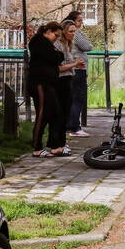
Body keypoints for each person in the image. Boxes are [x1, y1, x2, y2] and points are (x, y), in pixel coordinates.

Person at [28, 22, 68, 157]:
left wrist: (57, 55)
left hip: (49, 83)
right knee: (43, 113)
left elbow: (58, 56)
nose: (56, 38)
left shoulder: (47, 44)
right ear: (49, 31)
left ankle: (55, 145)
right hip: (40, 83)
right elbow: (55, 57)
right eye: (56, 35)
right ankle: (36, 146)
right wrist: (57, 55)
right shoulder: (38, 41)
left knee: (56, 113)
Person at [54, 21, 86, 154]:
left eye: (75, 31)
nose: (74, 34)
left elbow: (67, 63)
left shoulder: (68, 44)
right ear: (64, 32)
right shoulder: (58, 45)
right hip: (60, 81)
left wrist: (75, 64)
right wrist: (74, 64)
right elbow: (59, 68)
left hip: (68, 79)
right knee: (60, 113)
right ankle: (57, 143)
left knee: (65, 111)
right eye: (71, 31)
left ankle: (62, 143)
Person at [62, 10, 93, 137]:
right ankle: (74, 126)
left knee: (72, 98)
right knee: (78, 98)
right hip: (78, 69)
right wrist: (89, 43)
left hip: (72, 69)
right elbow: (87, 46)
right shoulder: (76, 32)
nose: (81, 23)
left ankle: (69, 125)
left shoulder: (68, 34)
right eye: (79, 20)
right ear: (72, 21)